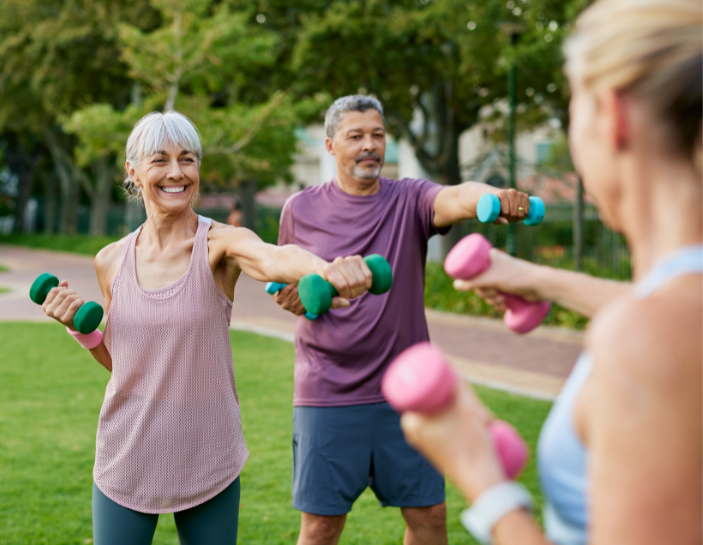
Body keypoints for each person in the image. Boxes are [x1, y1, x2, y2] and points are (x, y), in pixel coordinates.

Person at [399, 1, 702, 544]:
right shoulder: (674, 311)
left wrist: (479, 475)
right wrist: (538, 279)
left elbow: (659, 330)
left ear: (613, 115)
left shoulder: (648, 341)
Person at [38, 111, 374, 545]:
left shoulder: (220, 244)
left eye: (188, 159)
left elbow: (274, 257)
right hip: (127, 451)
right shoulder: (111, 260)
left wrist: (327, 269)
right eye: (160, 160)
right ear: (133, 171)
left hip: (207, 450)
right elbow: (128, 365)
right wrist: (81, 330)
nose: (176, 172)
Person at [272, 94, 536, 545]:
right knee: (320, 527)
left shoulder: (409, 198)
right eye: (356, 136)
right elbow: (284, 286)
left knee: (430, 515)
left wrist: (492, 197)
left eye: (378, 135)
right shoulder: (299, 209)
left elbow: (455, 197)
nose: (370, 145)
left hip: (409, 390)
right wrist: (297, 298)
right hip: (327, 390)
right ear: (331, 146)